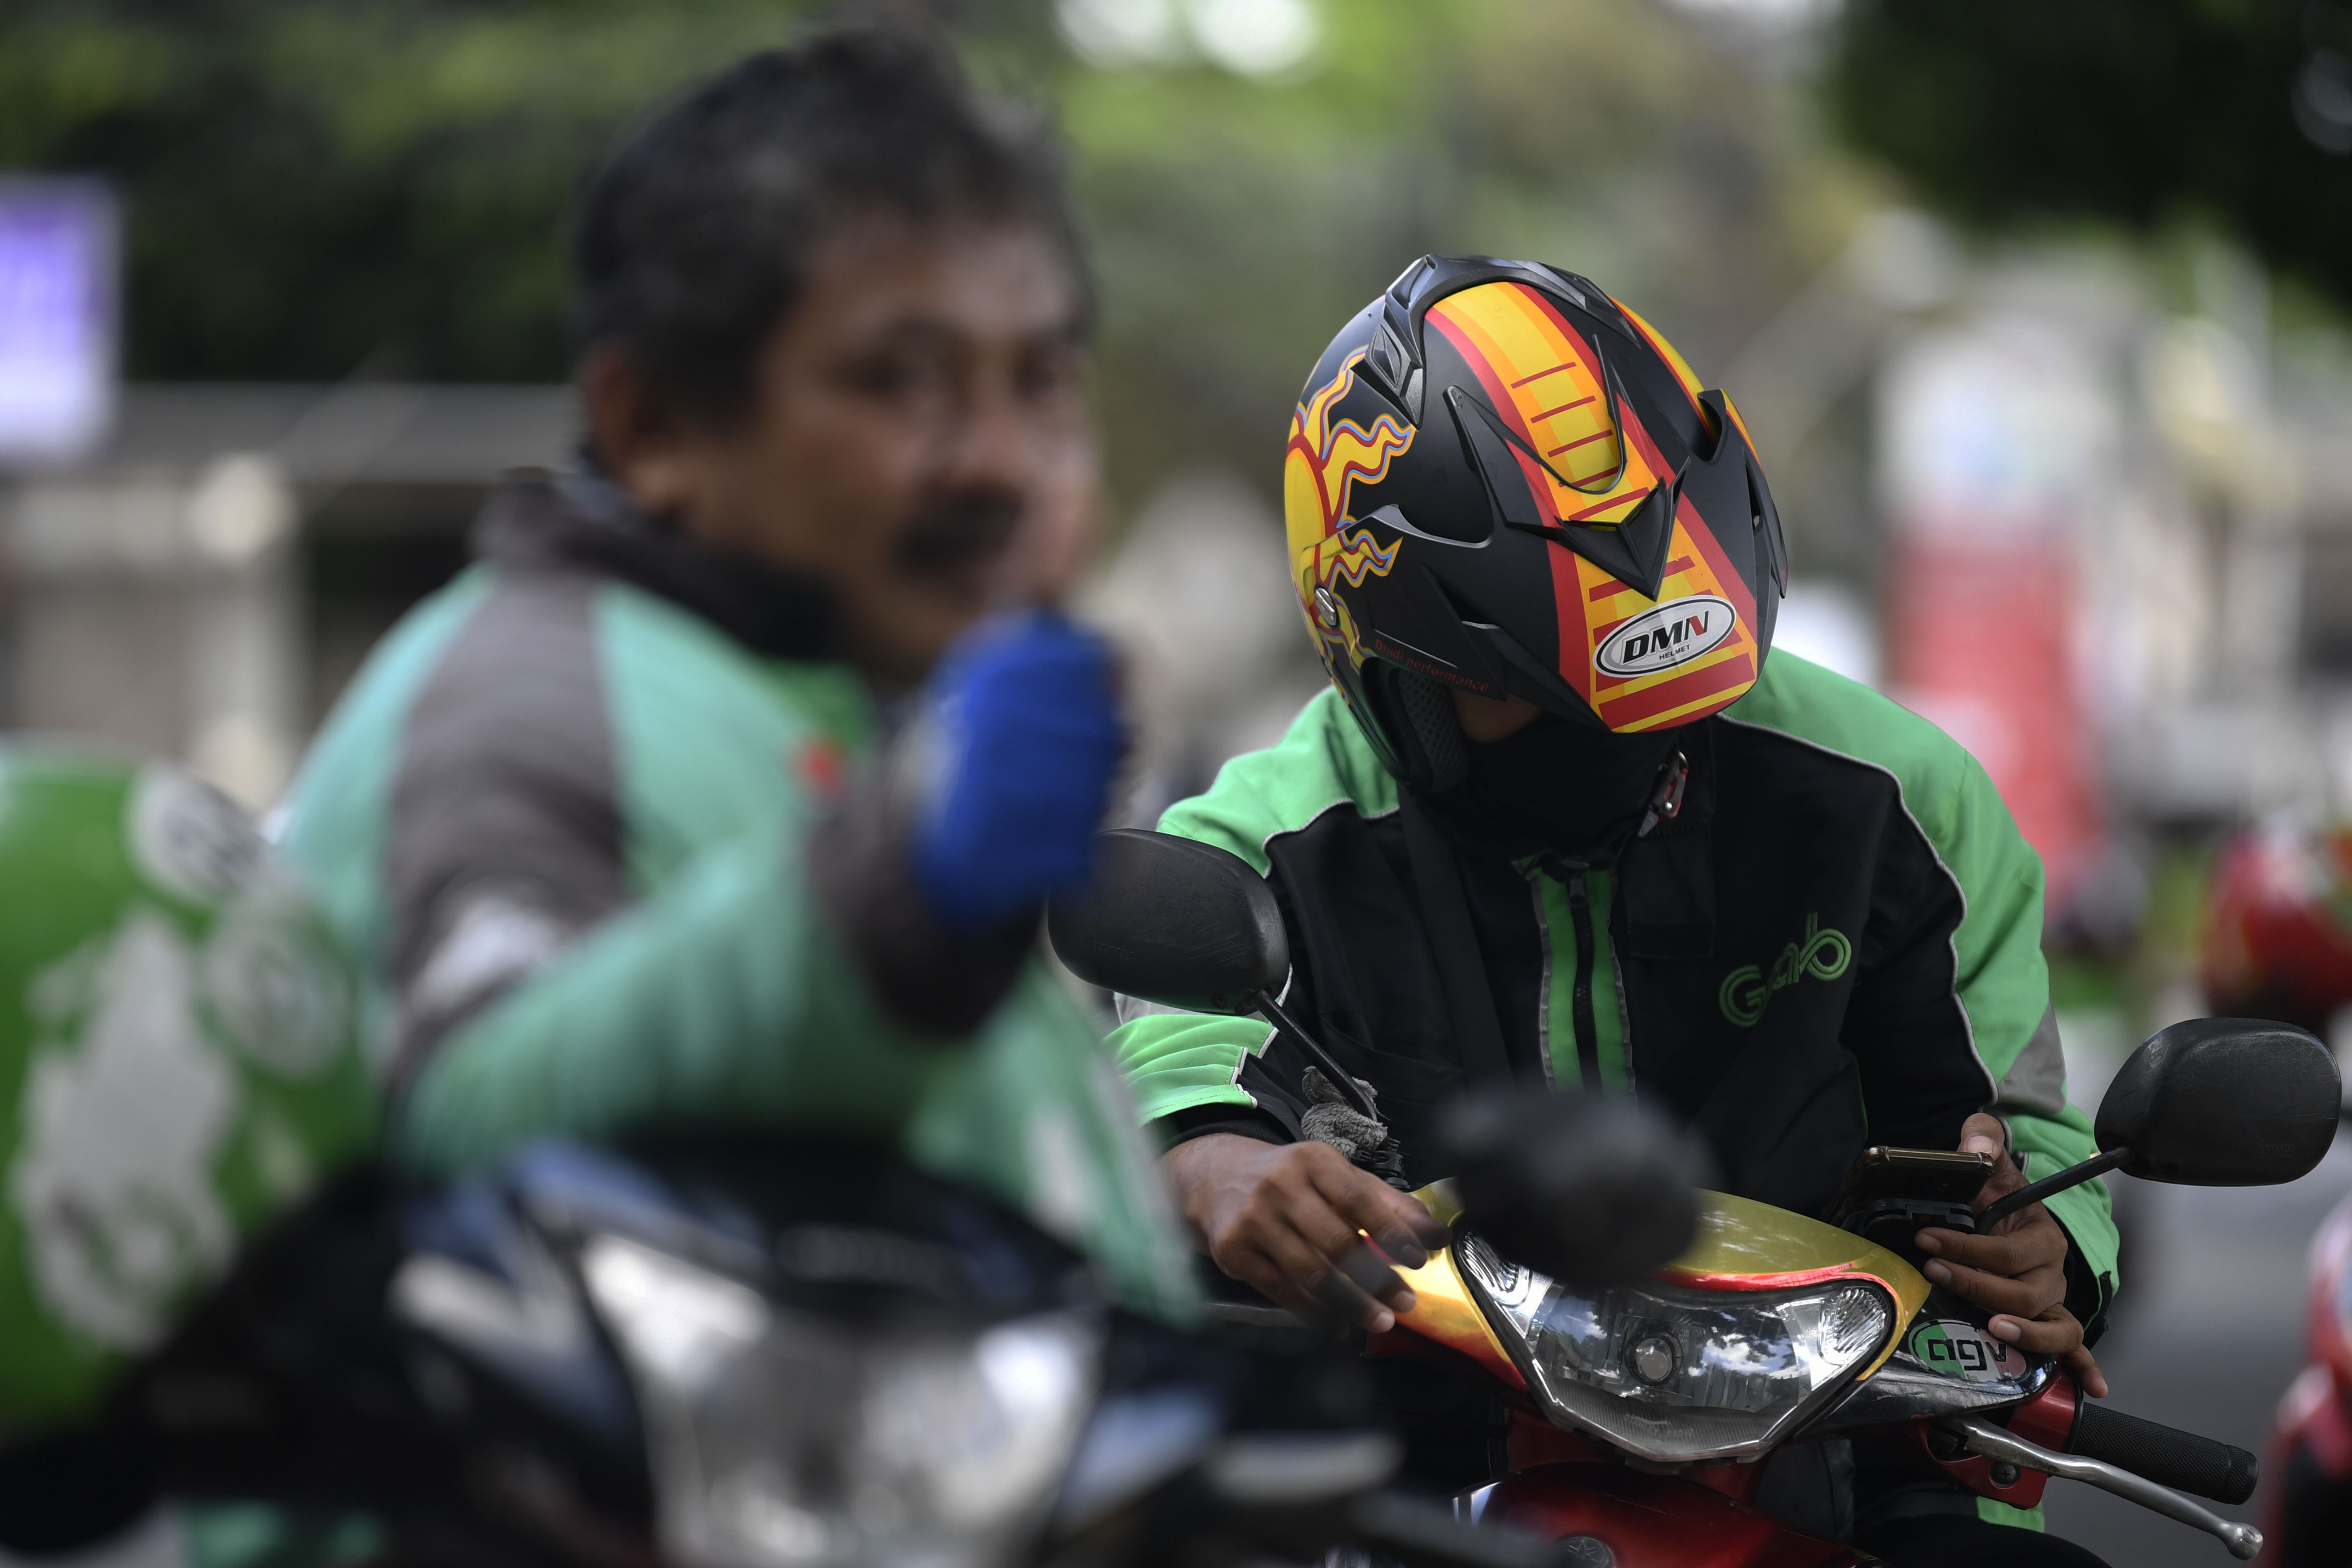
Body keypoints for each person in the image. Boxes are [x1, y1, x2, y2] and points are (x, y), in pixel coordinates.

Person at [1111, 255, 2117, 1558]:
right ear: (1380, 655)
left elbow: (2029, 1134)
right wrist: (1219, 1167)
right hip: (1396, 1470)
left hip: (1850, 1467)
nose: (1627, 750)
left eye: (1663, 709)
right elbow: (1174, 1071)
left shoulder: (1903, 800)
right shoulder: (1266, 839)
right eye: (1542, 698)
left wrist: (2050, 1247)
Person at [280, 24, 1194, 1324]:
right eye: (903, 379)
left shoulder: (834, 691)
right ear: (653, 428)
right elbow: (458, 1122)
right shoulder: (522, 697)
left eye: (1039, 379)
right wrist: (890, 901)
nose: (1000, 458)